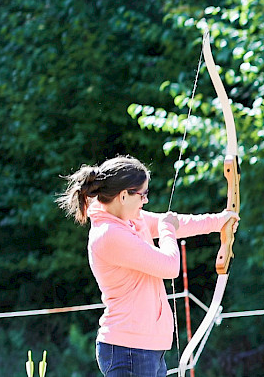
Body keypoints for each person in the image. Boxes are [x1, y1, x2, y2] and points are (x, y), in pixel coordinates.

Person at [58, 155, 238, 377]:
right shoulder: (109, 235)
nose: (145, 201)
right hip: (128, 349)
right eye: (142, 195)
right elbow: (170, 265)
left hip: (145, 348)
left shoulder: (130, 219)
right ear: (124, 196)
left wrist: (221, 221)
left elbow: (173, 222)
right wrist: (167, 230)